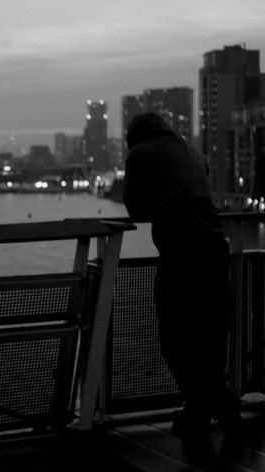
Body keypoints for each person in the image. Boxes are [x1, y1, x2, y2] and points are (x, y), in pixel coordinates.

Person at [122, 112, 241, 451]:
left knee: (175, 338)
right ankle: (204, 411)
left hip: (183, 255)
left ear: (135, 138)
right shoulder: (189, 150)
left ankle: (219, 405)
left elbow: (134, 207)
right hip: (216, 250)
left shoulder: (141, 154)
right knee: (210, 339)